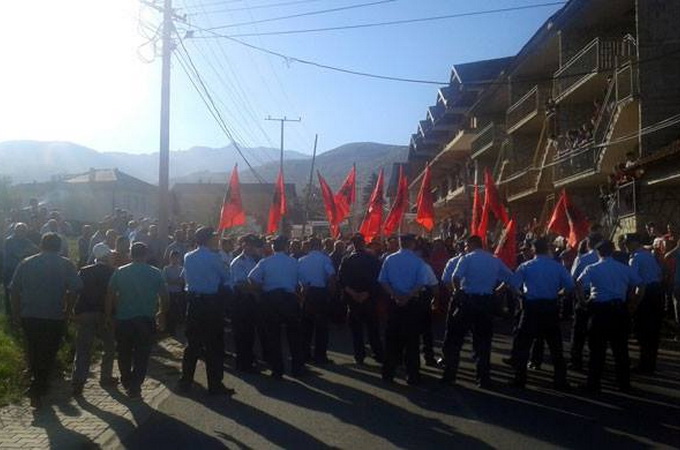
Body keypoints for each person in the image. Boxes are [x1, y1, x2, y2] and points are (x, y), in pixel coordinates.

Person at [10, 233, 82, 407]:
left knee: (33, 349)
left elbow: (14, 290)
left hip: (30, 314)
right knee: (49, 352)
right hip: (54, 316)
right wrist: (68, 310)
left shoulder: (26, 263)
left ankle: (37, 384)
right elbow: (75, 289)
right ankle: (39, 385)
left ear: (41, 245)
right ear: (59, 247)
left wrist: (16, 314)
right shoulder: (66, 264)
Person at [440, 235, 513, 388]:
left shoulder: (466, 259)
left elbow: (455, 277)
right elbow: (510, 277)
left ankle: (449, 374)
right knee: (483, 341)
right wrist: (498, 292)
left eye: (466, 246)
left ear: (471, 244)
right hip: (486, 302)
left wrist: (458, 292)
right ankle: (483, 378)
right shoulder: (494, 260)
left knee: (455, 339)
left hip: (467, 301)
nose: (465, 249)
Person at [576, 240, 643, 392]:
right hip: (619, 310)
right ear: (612, 251)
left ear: (598, 253)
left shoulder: (592, 268)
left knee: (597, 350)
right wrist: (634, 303)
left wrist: (583, 302)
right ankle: (624, 383)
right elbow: (640, 284)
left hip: (599, 310)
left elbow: (579, 283)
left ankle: (593, 383)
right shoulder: (623, 268)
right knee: (620, 349)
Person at [106, 242, 168, 399]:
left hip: (124, 318)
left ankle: (126, 380)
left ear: (130, 255)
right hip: (146, 319)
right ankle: (135, 385)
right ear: (146, 255)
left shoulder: (120, 272)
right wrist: (162, 313)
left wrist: (108, 315)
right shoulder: (156, 273)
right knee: (142, 354)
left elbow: (110, 294)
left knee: (124, 352)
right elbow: (164, 296)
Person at [509, 238, 573, 389]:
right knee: (555, 345)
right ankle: (560, 380)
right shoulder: (557, 267)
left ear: (533, 250)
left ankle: (520, 378)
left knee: (523, 344)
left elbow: (513, 285)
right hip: (550, 306)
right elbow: (569, 286)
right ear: (547, 249)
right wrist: (559, 294)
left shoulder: (526, 266)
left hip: (531, 307)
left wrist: (520, 296)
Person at [179, 227, 234, 395]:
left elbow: (185, 278)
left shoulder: (188, 256)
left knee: (192, 344)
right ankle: (215, 384)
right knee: (214, 345)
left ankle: (186, 381)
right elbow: (226, 276)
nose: (217, 240)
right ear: (208, 239)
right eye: (214, 237)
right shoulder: (214, 257)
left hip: (194, 303)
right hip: (211, 304)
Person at [248, 235, 305, 379]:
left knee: (273, 336)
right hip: (289, 298)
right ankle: (297, 369)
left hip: (270, 299)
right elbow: (302, 282)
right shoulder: (294, 262)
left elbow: (251, 278)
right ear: (286, 246)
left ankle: (277, 370)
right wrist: (300, 297)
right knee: (294, 336)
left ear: (273, 247)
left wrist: (261, 289)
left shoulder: (265, 262)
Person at [378, 234, 432, 385]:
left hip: (394, 303)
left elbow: (383, 281)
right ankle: (412, 375)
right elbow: (422, 283)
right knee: (412, 341)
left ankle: (388, 373)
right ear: (412, 244)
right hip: (412, 303)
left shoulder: (389, 259)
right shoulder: (418, 261)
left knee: (391, 339)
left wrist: (395, 295)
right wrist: (407, 296)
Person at [72, 243, 119, 396]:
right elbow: (115, 295)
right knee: (109, 347)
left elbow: (76, 291)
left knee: (83, 348)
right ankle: (105, 377)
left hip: (85, 312)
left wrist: (73, 311)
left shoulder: (84, 271)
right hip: (106, 314)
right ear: (106, 256)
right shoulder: (113, 272)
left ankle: (79, 380)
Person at [338, 234, 384, 365]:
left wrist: (352, 293)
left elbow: (341, 279)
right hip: (369, 298)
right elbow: (379, 278)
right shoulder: (373, 259)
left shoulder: (347, 259)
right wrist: (367, 293)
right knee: (373, 329)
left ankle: (359, 356)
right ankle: (378, 353)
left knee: (356, 331)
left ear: (353, 244)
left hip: (353, 300)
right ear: (363, 243)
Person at [624, 233, 664, 374]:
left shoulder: (635, 259)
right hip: (657, 292)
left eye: (628, 243)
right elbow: (659, 273)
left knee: (644, 331)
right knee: (653, 332)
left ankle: (644, 365)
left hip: (645, 294)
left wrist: (633, 302)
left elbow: (633, 280)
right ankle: (650, 363)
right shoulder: (648, 256)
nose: (626, 246)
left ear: (635, 243)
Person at [298, 237, 336, 364]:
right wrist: (331, 291)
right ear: (320, 246)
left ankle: (305, 354)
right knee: (322, 327)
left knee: (306, 327)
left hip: (307, 292)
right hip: (320, 293)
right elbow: (331, 275)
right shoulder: (325, 259)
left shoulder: (301, 260)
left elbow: (298, 278)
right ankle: (320, 355)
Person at [569, 233, 603, 371]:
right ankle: (597, 362)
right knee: (597, 333)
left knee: (579, 332)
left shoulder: (582, 259)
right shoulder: (608, 259)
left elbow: (573, 278)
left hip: (584, 294)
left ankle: (576, 361)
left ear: (588, 244)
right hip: (601, 297)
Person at [229, 234, 263, 372]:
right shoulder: (239, 261)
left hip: (251, 300)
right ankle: (243, 363)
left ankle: (248, 359)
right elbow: (241, 284)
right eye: (249, 244)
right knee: (242, 333)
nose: (252, 247)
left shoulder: (254, 260)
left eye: (254, 245)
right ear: (243, 245)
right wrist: (258, 287)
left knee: (249, 333)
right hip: (242, 300)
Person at [3, 223, 38, 316]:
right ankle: (9, 314)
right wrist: (26, 252)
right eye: (20, 230)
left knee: (21, 292)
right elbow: (16, 254)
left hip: (21, 270)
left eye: (24, 231)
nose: (22, 233)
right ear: (15, 231)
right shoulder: (9, 241)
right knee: (9, 291)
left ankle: (19, 312)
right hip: (10, 270)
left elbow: (36, 249)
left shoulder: (26, 241)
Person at [162, 250, 186, 336]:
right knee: (169, 311)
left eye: (177, 258)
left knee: (177, 311)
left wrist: (173, 281)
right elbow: (166, 281)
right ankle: (168, 328)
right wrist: (175, 281)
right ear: (170, 258)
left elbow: (182, 281)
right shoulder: (166, 268)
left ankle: (177, 327)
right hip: (169, 293)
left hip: (178, 293)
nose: (175, 259)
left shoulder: (182, 269)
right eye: (173, 257)